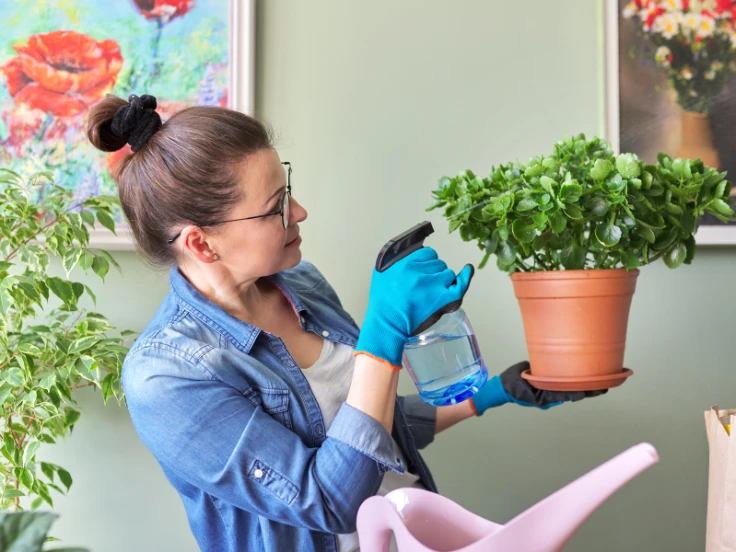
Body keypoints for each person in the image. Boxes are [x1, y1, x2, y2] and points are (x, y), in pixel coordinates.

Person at [86, 93, 605, 552]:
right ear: (201, 243)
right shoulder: (166, 376)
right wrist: (382, 335)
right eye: (276, 207)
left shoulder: (302, 284)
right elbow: (329, 499)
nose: (301, 211)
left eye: (288, 189)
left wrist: (493, 394)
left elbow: (367, 426)